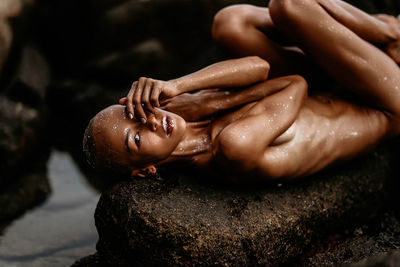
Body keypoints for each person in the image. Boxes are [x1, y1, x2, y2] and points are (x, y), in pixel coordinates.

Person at [83, 0, 400, 182]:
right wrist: (199, 104)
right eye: (137, 139)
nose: (152, 122)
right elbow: (293, 83)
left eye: (138, 115)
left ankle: (374, 40)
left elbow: (259, 67)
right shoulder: (234, 147)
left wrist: (177, 85)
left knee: (229, 23)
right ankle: (390, 34)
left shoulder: (181, 119)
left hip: (331, 88)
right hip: (386, 105)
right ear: (143, 171)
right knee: (289, 4)